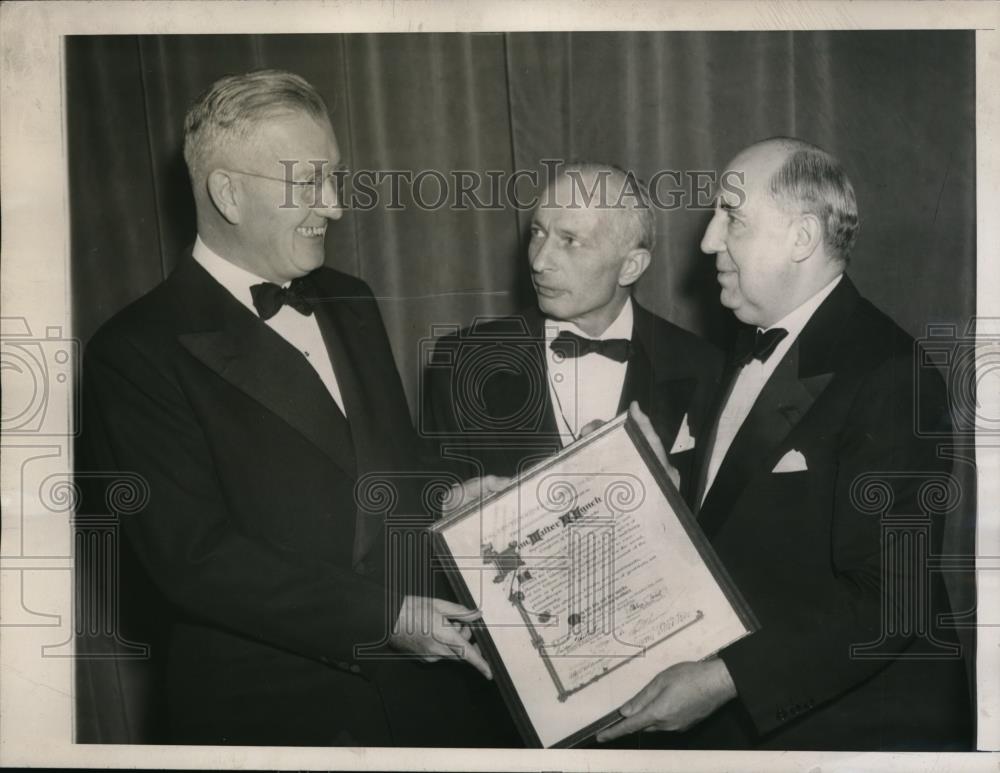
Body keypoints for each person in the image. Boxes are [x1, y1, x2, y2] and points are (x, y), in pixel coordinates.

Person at [77, 69, 497, 747]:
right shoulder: (133, 352)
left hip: (428, 703)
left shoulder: (350, 299)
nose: (333, 206)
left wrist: (450, 493)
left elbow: (387, 461)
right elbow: (196, 560)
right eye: (308, 183)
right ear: (228, 193)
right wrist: (383, 616)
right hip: (274, 715)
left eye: (335, 178)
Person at [597, 137, 973, 750]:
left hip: (856, 734)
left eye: (732, 220)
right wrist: (666, 493)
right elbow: (745, 521)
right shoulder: (746, 344)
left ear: (801, 238)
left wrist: (726, 678)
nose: (707, 241)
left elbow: (893, 599)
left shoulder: (890, 372)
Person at [424, 162, 722, 504]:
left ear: (630, 266)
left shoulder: (704, 367)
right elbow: (429, 514)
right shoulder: (463, 361)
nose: (539, 262)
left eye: (570, 241)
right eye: (538, 233)